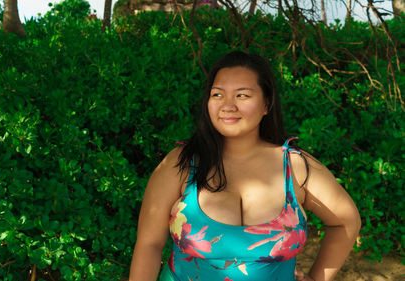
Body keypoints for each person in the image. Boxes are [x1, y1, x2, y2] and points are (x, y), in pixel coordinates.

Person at [129, 51, 361, 281]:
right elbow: (149, 245)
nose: (228, 106)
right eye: (217, 95)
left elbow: (346, 221)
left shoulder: (296, 167)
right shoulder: (180, 164)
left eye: (242, 96)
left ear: (266, 104)